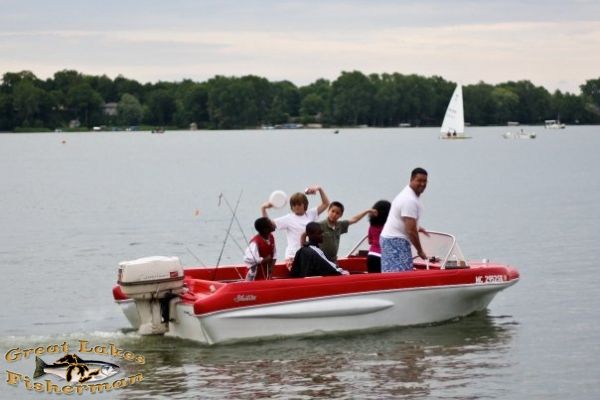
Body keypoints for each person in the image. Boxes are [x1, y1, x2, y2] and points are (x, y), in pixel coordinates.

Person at [261, 186, 329, 263]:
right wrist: (263, 209)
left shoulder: (311, 214)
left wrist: (319, 189)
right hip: (293, 256)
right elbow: (267, 224)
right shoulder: (288, 218)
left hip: (308, 254)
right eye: (294, 205)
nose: (296, 207)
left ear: (305, 205)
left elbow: (325, 204)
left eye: (299, 204)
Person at [380, 167, 429, 272]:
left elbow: (405, 220)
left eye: (425, 181)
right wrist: (420, 251)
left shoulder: (409, 194)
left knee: (393, 274)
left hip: (390, 239)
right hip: (395, 241)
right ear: (411, 180)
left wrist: (418, 227)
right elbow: (410, 230)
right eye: (419, 180)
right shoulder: (409, 200)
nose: (422, 184)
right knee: (401, 275)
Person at [366, 200, 391, 273]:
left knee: (372, 278)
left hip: (371, 255)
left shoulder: (372, 226)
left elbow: (370, 241)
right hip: (383, 256)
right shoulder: (388, 227)